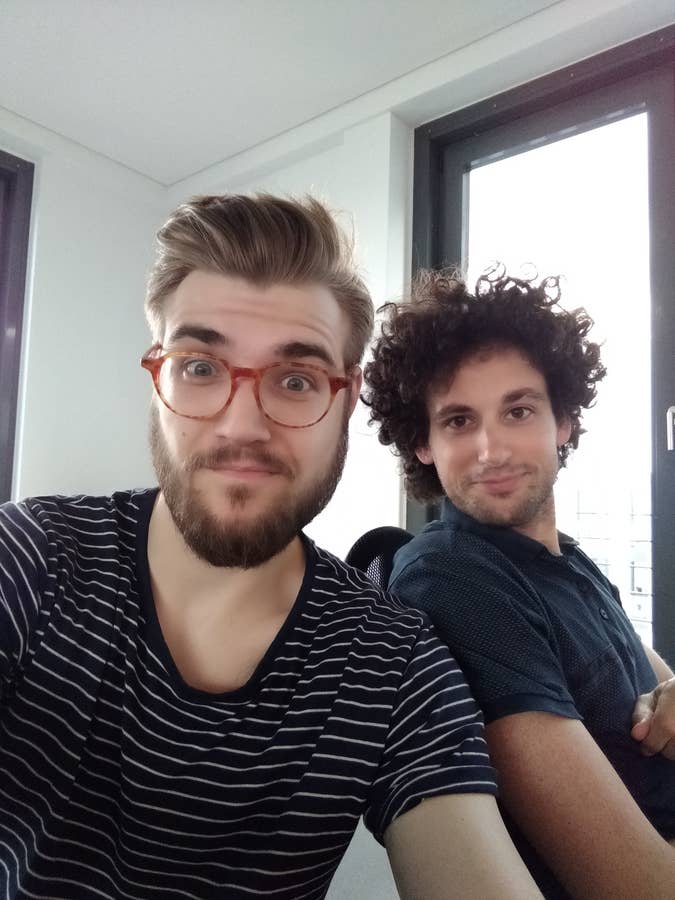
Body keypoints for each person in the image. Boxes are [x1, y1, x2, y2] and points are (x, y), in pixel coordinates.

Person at [0, 198, 541, 900]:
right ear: (156, 377)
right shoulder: (31, 560)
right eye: (200, 367)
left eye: (295, 381)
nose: (241, 426)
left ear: (347, 402)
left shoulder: (393, 664)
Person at [363, 267, 675, 900]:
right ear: (423, 443)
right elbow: (636, 884)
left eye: (519, 410)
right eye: (458, 421)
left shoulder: (574, 563)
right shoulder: (451, 576)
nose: (491, 449)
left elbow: (659, 680)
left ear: (563, 422)